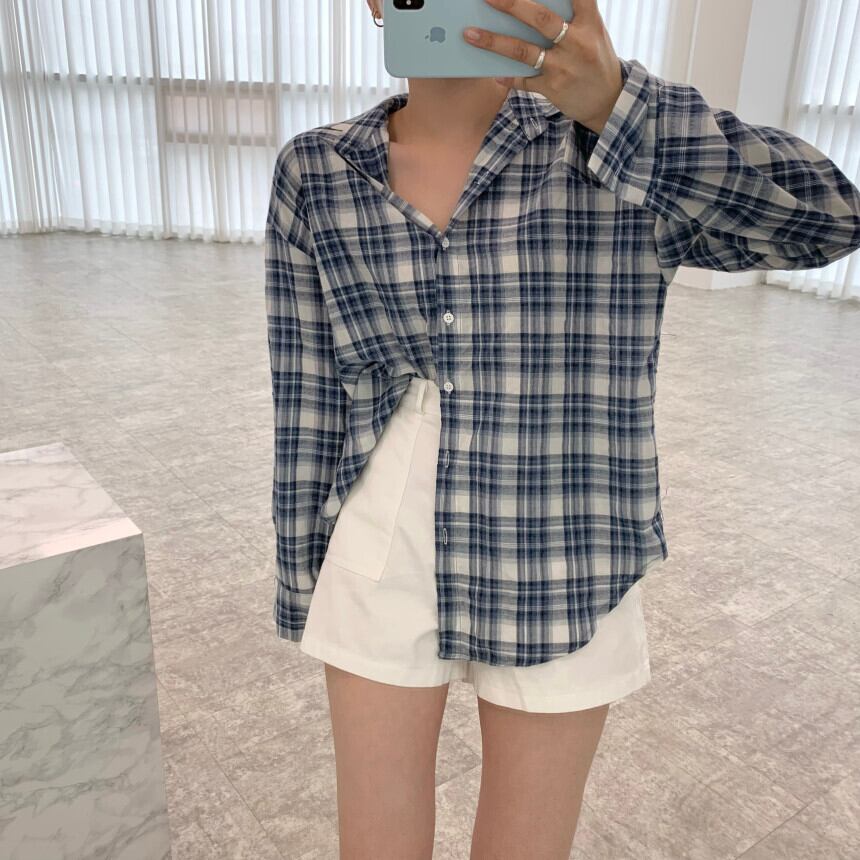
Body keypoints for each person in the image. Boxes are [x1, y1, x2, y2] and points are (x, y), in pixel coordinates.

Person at [265, 1, 860, 857]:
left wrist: (621, 106)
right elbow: (308, 391)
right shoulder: (318, 169)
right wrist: (301, 579)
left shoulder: (613, 148)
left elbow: (829, 218)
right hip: (380, 535)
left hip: (569, 543)